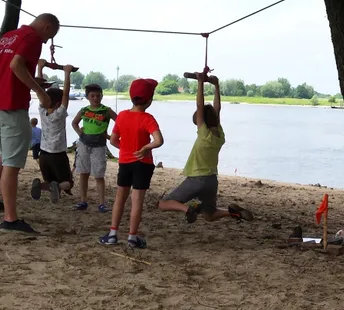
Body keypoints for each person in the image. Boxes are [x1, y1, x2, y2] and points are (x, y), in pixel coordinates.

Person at [0, 14, 60, 233]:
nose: (45, 42)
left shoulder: (8, 36)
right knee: (12, 164)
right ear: (46, 26)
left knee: (3, 154)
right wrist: (40, 91)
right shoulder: (32, 38)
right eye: (48, 37)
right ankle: (11, 219)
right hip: (11, 106)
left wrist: (30, 81)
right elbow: (16, 65)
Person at [158, 73, 253, 223]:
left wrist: (201, 83)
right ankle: (233, 213)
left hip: (197, 178)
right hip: (211, 180)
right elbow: (217, 108)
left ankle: (187, 209)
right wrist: (216, 86)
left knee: (163, 204)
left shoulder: (204, 134)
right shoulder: (219, 134)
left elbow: (200, 105)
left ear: (201, 120)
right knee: (209, 215)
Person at [99, 79, 163, 249]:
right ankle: (132, 237)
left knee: (120, 198)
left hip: (125, 162)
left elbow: (113, 140)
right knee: (137, 201)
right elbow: (158, 140)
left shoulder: (122, 116)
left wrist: (125, 148)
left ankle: (112, 234)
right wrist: (145, 148)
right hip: (143, 164)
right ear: (149, 100)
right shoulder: (148, 118)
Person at [31, 61, 75, 204]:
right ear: (58, 104)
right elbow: (66, 94)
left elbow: (39, 89)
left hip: (43, 155)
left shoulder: (42, 111)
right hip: (58, 155)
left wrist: (40, 67)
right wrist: (67, 73)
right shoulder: (59, 114)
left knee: (50, 181)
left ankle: (44, 185)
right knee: (68, 182)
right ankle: (56, 187)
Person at [71, 84, 117, 212]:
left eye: (98, 95)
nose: (95, 98)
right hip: (84, 144)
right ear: (87, 97)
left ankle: (102, 203)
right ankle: (82, 201)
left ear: (102, 96)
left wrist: (109, 136)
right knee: (83, 173)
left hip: (99, 146)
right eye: (92, 96)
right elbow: (74, 122)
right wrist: (79, 133)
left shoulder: (106, 110)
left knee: (99, 175)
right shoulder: (84, 110)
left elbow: (120, 122)